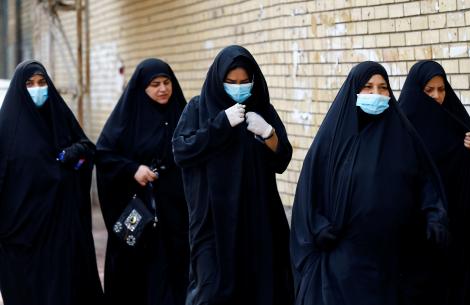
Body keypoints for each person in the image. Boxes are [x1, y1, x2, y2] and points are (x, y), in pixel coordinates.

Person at [290, 61, 449, 305]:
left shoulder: (403, 136)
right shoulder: (332, 140)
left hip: (393, 260)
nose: (377, 94)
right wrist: (319, 227)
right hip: (343, 263)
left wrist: (434, 217)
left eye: (383, 88)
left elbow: (426, 181)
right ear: (353, 90)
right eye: (368, 87)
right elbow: (309, 193)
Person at [172, 45, 294, 305]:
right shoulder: (198, 108)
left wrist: (268, 134)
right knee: (211, 290)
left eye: (244, 82)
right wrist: (220, 125)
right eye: (231, 82)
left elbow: (282, 158)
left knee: (260, 288)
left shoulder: (262, 108)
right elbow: (182, 150)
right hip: (213, 221)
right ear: (219, 80)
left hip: (258, 219)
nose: (238, 88)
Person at [0, 60, 103, 304]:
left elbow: (87, 150)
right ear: (19, 88)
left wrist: (74, 154)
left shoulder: (59, 117)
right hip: (22, 236)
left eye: (42, 82)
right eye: (29, 83)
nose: (37, 88)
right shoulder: (6, 132)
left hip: (61, 230)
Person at [399, 60, 470, 305]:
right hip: (422, 234)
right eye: (429, 91)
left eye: (441, 89)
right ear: (416, 91)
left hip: (459, 232)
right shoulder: (402, 129)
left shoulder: (455, 119)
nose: (437, 96)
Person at [96, 58, 189, 305]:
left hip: (175, 215)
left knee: (175, 274)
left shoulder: (183, 114)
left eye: (166, 82)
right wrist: (132, 169)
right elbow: (104, 154)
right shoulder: (126, 119)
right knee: (135, 274)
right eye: (155, 84)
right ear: (142, 88)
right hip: (137, 212)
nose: (162, 89)